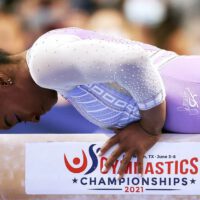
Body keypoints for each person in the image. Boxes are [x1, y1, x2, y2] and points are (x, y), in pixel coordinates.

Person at [0, 27, 198, 179]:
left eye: (15, 118)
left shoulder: (43, 64)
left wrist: (149, 128)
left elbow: (131, 61)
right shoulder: (49, 64)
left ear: (2, 80)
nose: (33, 120)